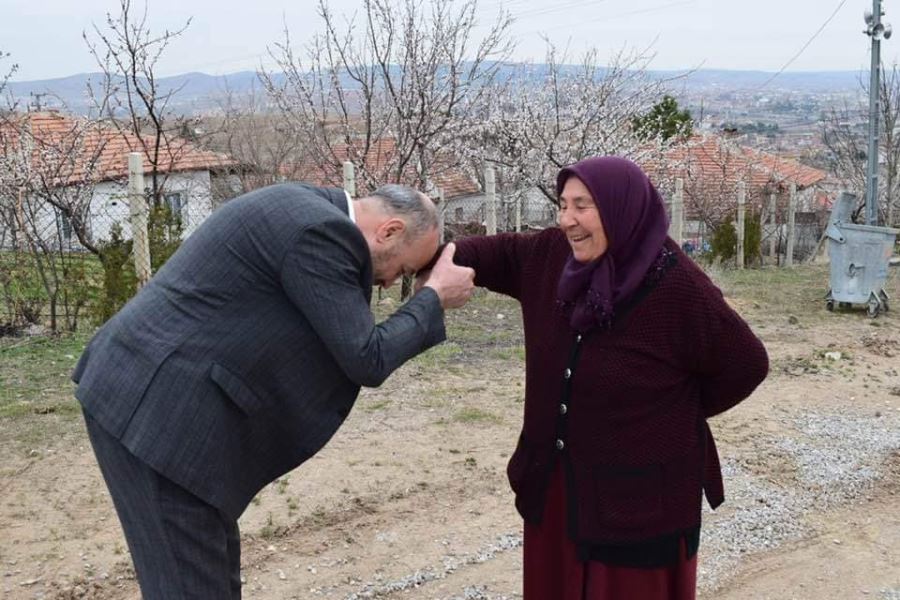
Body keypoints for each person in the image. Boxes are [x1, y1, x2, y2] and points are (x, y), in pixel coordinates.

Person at [72, 182, 475, 599]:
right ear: (389, 231)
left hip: (156, 401)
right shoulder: (322, 233)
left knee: (207, 579)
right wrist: (433, 297)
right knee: (189, 585)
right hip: (161, 422)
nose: (391, 284)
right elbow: (366, 357)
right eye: (405, 270)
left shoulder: (304, 204)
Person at [445, 157, 768, 599]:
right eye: (562, 205)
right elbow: (495, 254)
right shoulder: (555, 256)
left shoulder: (677, 288)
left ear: (620, 208)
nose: (567, 220)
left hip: (638, 506)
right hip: (559, 490)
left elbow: (747, 363)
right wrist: (426, 252)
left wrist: (669, 411)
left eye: (583, 205)